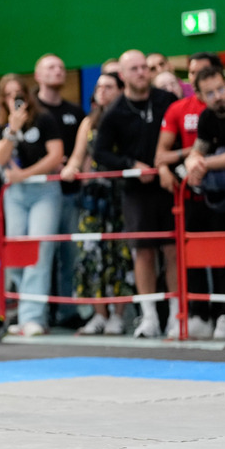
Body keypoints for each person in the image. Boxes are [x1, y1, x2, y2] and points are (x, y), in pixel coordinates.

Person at [94, 49, 179, 338]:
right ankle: (150, 316)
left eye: (145, 67)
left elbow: (181, 136)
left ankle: (177, 316)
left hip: (169, 187)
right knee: (142, 253)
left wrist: (169, 163)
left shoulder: (167, 101)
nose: (142, 72)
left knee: (172, 250)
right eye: (135, 69)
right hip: (135, 191)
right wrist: (130, 165)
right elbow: (101, 153)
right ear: (123, 75)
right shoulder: (115, 111)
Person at [61, 72, 136, 335]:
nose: (102, 91)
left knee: (120, 254)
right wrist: (70, 168)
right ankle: (99, 314)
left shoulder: (126, 118)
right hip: (93, 197)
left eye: (109, 86)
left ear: (120, 90)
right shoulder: (88, 122)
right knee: (91, 253)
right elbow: (77, 155)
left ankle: (118, 315)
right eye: (99, 86)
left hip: (121, 194)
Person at [0, 75, 65, 336]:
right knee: (15, 256)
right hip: (15, 195)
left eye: (19, 94)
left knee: (39, 253)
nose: (16, 100)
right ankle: (24, 313)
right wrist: (12, 128)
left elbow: (55, 155)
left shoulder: (44, 118)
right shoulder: (1, 125)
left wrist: (26, 174)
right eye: (10, 95)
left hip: (43, 190)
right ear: (4, 99)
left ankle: (33, 317)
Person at [34, 54, 86, 327]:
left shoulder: (76, 112)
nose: (58, 71)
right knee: (41, 255)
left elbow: (84, 149)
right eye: (51, 67)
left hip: (70, 192)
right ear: (38, 76)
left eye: (61, 67)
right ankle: (39, 312)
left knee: (70, 255)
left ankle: (67, 310)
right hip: (39, 192)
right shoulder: (32, 111)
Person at [184, 66, 225, 339]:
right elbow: (196, 151)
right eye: (210, 93)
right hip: (221, 202)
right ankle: (223, 314)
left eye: (220, 90)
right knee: (221, 255)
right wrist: (193, 164)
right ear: (201, 97)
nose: (218, 97)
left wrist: (204, 163)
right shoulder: (206, 118)